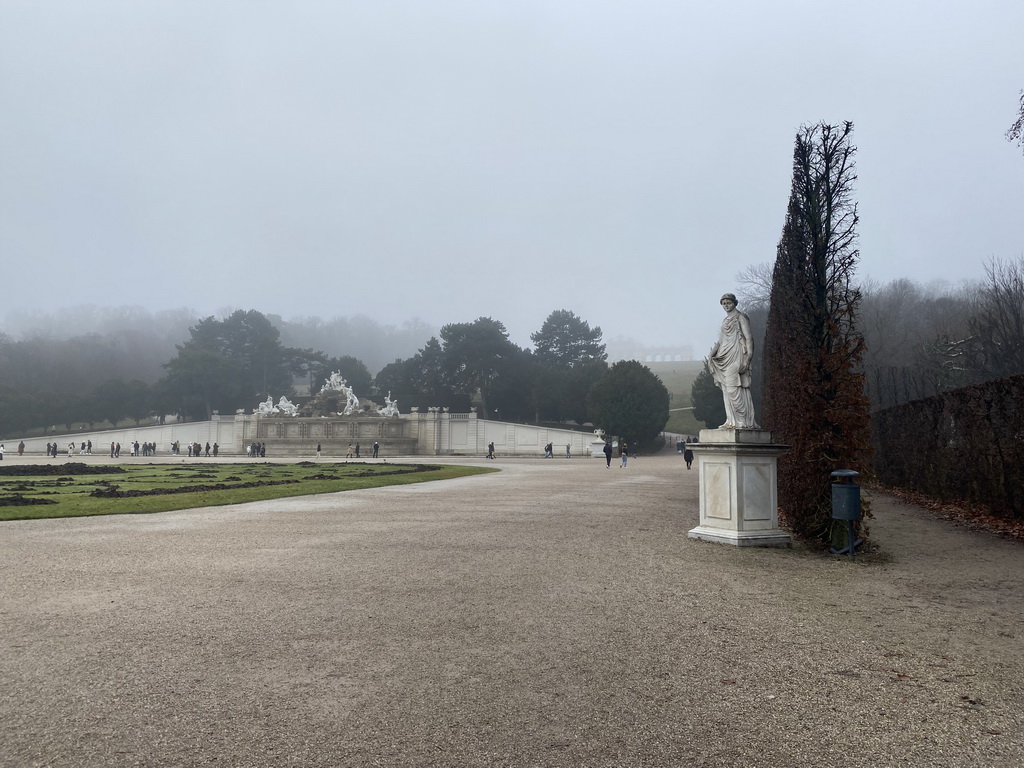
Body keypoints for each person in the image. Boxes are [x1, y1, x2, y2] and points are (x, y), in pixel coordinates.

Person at [707, 293, 760, 429]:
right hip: (724, 356)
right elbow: (720, 341)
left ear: (735, 303)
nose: (726, 305)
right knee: (726, 389)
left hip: (737, 356)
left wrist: (748, 359)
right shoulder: (725, 321)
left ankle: (743, 421)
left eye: (728, 302)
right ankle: (731, 421)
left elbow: (749, 338)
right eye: (723, 303)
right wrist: (711, 354)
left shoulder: (741, 317)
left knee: (733, 388)